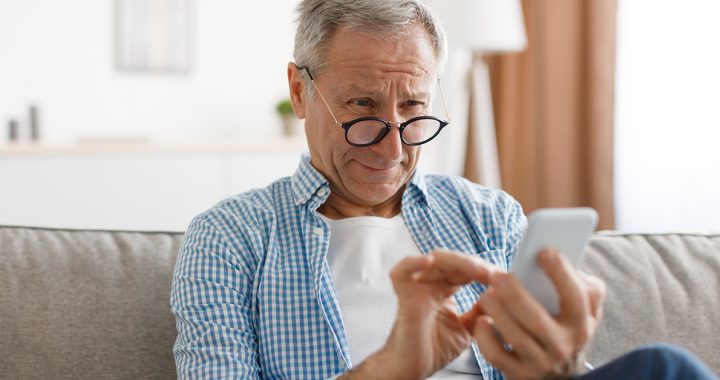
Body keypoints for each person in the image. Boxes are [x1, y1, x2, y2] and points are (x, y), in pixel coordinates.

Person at [170, 1, 718, 379]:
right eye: (361, 107)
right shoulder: (230, 237)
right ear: (299, 90)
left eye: (413, 110)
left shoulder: (490, 215)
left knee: (665, 369)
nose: (391, 151)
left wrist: (562, 364)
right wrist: (391, 369)